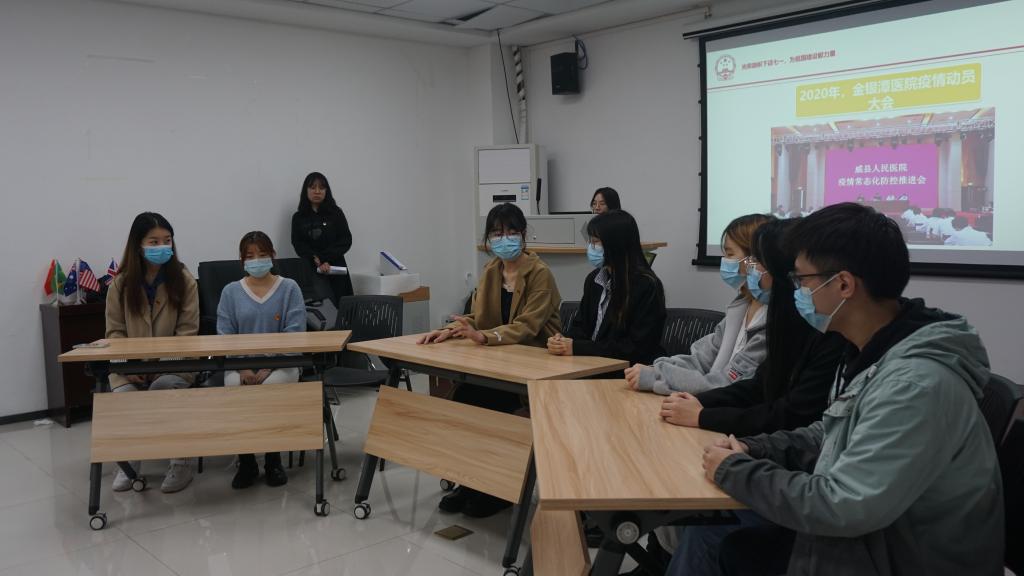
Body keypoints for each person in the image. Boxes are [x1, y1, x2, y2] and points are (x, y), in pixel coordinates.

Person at [700, 203, 1003, 576]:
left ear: (843, 284)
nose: (795, 292)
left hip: (896, 558)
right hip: (869, 542)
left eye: (801, 280)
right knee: (725, 542)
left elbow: (844, 506)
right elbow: (831, 433)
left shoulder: (914, 384)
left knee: (721, 540)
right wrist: (757, 448)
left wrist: (737, 471)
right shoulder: (871, 350)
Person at [656, 218, 846, 573]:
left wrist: (704, 414)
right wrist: (701, 406)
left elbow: (792, 414)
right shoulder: (785, 320)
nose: (749, 270)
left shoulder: (827, 335)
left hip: (803, 486)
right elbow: (759, 385)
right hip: (779, 457)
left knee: (704, 526)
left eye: (756, 262)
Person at [418, 203, 561, 517]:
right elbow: (479, 318)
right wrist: (451, 329)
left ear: (523, 234)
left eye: (511, 231)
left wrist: (485, 337)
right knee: (464, 398)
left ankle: (497, 489)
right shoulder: (491, 271)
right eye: (497, 233)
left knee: (485, 402)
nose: (504, 238)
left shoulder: (540, 273)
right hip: (500, 362)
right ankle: (471, 482)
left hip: (534, 365)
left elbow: (527, 326)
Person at [626, 214, 772, 395]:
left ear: (755, 260)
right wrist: (656, 369)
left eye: (730, 254)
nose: (724, 261)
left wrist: (657, 377)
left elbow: (726, 384)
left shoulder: (772, 321)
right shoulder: (741, 307)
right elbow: (701, 359)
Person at [105, 212, 199, 494]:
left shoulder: (184, 280)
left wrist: (163, 365)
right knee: (125, 396)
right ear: (138, 245)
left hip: (175, 365)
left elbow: (187, 332)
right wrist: (128, 367)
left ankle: (181, 462)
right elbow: (114, 333)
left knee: (164, 387)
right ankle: (129, 466)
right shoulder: (120, 284)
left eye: (167, 240)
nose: (162, 247)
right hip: (130, 368)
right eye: (154, 241)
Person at [217, 231, 306, 489]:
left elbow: (295, 333)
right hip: (240, 364)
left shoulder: (289, 288)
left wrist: (269, 366)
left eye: (263, 254)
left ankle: (273, 460)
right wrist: (243, 367)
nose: (257, 260)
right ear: (242, 260)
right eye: (250, 256)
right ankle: (246, 462)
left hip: (282, 363)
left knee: (271, 390)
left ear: (273, 256)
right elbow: (225, 335)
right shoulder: (231, 291)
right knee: (235, 389)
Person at [547, 210, 666, 367]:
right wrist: (561, 340)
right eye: (590, 241)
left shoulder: (647, 286)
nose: (591, 247)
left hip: (627, 371)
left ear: (616, 244)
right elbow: (581, 327)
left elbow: (635, 348)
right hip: (590, 365)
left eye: (596, 242)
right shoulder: (594, 280)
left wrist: (577, 347)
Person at [291, 172, 353, 304]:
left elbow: (345, 239)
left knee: (341, 306)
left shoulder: (336, 213)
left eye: (321, 188)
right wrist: (315, 258)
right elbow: (298, 243)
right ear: (306, 190)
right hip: (311, 269)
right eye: (313, 187)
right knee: (317, 309)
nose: (317, 191)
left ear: (326, 191)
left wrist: (325, 258)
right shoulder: (298, 217)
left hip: (335, 267)